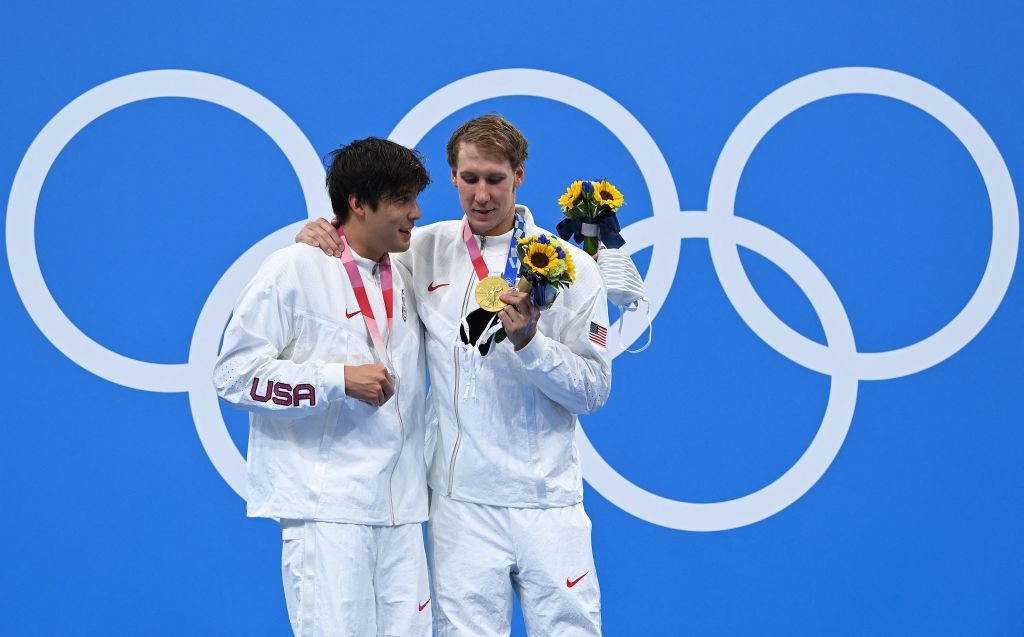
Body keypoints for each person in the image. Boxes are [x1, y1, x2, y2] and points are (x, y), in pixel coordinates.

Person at [298, 115, 611, 636]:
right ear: (452, 177)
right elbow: (357, 250)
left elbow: (594, 391)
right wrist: (318, 233)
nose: (481, 194)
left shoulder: (572, 268)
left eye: (494, 178)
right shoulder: (421, 249)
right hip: (459, 505)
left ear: (519, 176)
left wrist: (532, 345)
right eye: (469, 179)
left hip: (547, 502)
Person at [214, 137, 433, 636]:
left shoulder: (408, 269)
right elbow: (233, 374)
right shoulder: (293, 268)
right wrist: (336, 380)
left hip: (402, 511)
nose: (416, 213)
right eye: (402, 199)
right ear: (357, 203)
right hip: (330, 511)